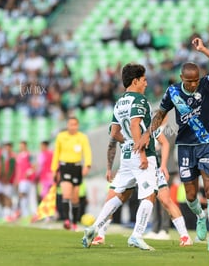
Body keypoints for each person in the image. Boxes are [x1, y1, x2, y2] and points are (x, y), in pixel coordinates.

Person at [140, 37, 209, 251]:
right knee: (190, 196)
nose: (193, 83)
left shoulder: (207, 85)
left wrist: (204, 49)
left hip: (206, 143)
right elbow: (161, 113)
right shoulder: (173, 92)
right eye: (189, 81)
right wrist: (148, 134)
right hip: (186, 147)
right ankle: (199, 216)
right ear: (181, 78)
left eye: (195, 80)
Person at [82, 63, 158, 250]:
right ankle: (137, 235)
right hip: (143, 154)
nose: (146, 84)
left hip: (126, 155)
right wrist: (140, 152)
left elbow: (114, 132)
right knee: (149, 195)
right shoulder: (139, 100)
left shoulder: (119, 102)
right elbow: (134, 126)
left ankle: (94, 227)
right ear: (135, 81)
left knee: (120, 194)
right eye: (144, 80)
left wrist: (129, 144)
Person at [91, 124, 192, 247]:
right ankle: (100, 235)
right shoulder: (118, 124)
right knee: (110, 198)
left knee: (165, 200)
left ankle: (185, 236)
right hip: (129, 168)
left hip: (149, 167)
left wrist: (163, 165)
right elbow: (112, 145)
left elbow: (165, 143)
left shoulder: (146, 125)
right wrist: (109, 168)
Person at [51, 117, 92, 230]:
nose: (73, 127)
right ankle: (66, 220)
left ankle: (74, 222)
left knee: (75, 198)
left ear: (77, 125)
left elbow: (87, 151)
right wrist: (54, 170)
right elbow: (56, 153)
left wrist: (87, 165)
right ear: (67, 125)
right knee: (66, 194)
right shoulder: (61, 136)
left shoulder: (82, 137)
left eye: (75, 124)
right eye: (70, 124)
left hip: (77, 167)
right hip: (65, 167)